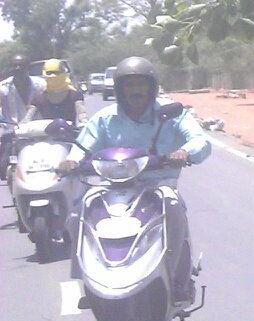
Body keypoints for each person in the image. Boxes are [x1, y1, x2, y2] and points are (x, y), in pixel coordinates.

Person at [73, 57, 212, 302]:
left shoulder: (171, 113)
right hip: (112, 185)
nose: (136, 90)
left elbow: (200, 141)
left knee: (173, 207)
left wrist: (184, 152)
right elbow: (81, 147)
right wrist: (71, 161)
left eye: (141, 84)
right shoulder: (104, 119)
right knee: (79, 211)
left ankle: (179, 279)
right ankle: (85, 279)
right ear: (119, 89)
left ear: (152, 87)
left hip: (159, 185)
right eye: (130, 85)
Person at [27, 59, 85, 124]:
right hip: (46, 130)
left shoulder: (75, 96)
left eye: (56, 73)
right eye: (49, 73)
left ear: (63, 73)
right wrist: (21, 126)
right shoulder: (39, 99)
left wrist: (84, 122)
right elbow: (28, 118)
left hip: (70, 130)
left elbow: (82, 115)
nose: (53, 75)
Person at [1, 55, 43, 125]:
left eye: (21, 65)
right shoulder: (3, 88)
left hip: (36, 128)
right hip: (11, 128)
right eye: (14, 65)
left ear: (29, 68)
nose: (17, 68)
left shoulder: (41, 85)